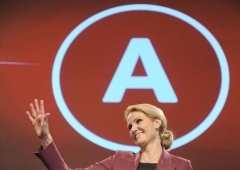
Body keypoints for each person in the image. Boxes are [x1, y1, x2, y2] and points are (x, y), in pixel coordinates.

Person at [26, 99, 193, 170]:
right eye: (129, 126)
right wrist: (45, 138)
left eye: (139, 121)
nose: (133, 129)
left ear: (157, 122)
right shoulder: (119, 160)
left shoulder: (182, 166)